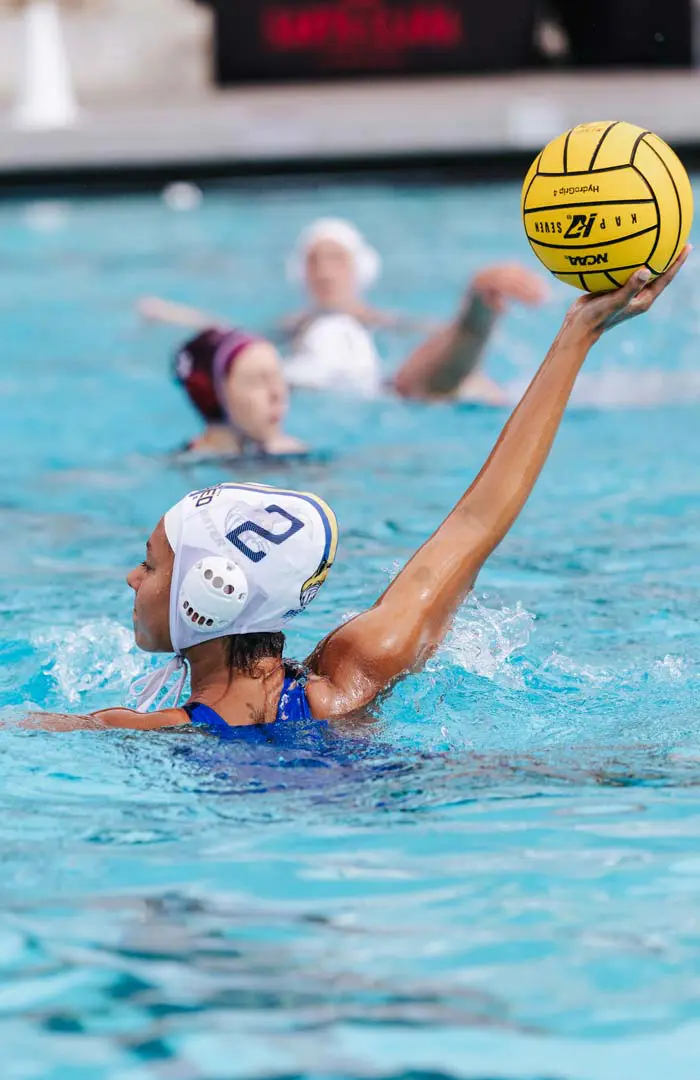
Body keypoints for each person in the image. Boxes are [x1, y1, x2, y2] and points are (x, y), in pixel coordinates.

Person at [32, 249, 688, 733]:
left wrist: (580, 331)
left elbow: (476, 521)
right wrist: (578, 334)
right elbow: (473, 526)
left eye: (151, 563)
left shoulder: (139, 731)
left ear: (209, 592)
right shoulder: (348, 682)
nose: (131, 576)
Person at [138, 217, 547, 403]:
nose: (324, 272)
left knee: (428, 384)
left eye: (336, 260)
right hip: (307, 389)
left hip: (386, 391)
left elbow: (432, 339)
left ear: (359, 268)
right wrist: (170, 315)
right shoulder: (292, 327)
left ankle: (477, 311)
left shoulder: (384, 322)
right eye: (314, 261)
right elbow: (230, 336)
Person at [173, 326, 305, 458]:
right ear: (219, 396)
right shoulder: (186, 465)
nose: (277, 393)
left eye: (278, 377)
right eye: (257, 380)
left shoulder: (294, 457)